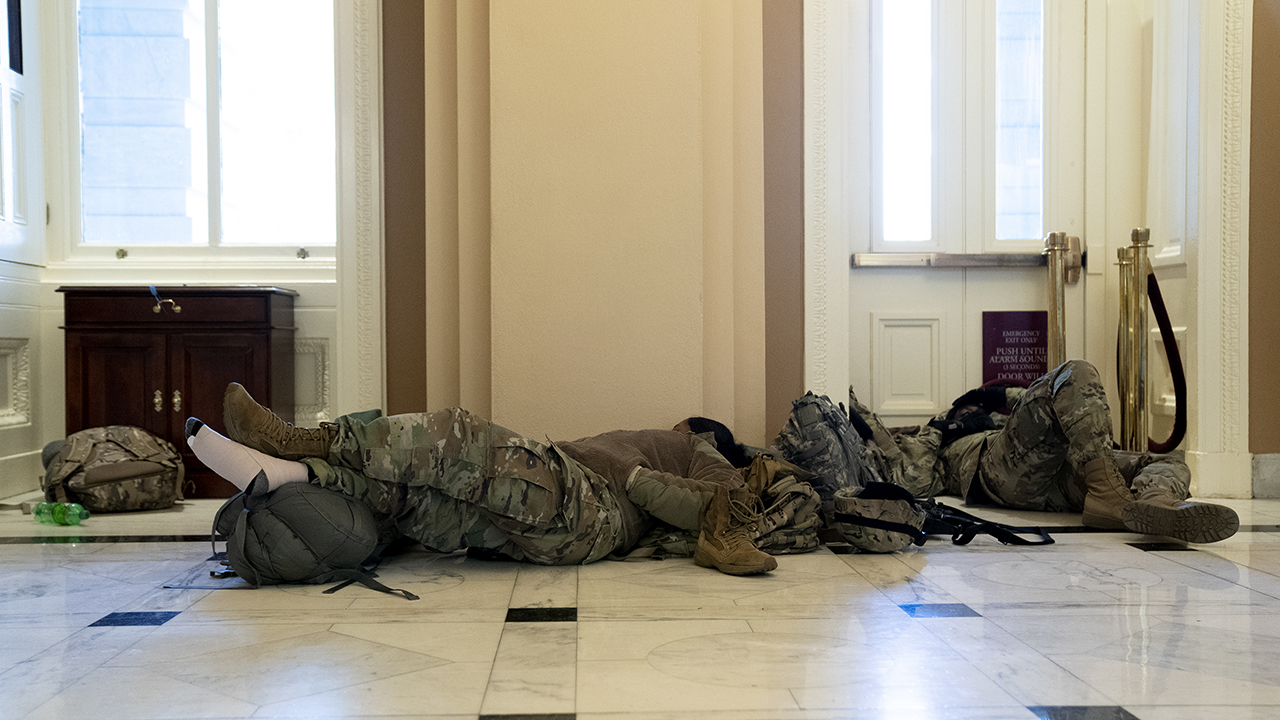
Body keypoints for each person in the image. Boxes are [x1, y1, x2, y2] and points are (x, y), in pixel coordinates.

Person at [185, 384, 779, 575]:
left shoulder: (697, 446)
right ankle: (281, 473)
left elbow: (722, 500)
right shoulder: (662, 444)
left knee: (455, 437)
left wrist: (636, 474)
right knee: (415, 499)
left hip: (586, 507)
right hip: (564, 517)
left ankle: (298, 442)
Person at [849, 359, 1239, 543]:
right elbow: (913, 480)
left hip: (1061, 469)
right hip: (998, 473)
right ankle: (1108, 494)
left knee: (1166, 460)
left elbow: (1046, 405)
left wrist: (992, 396)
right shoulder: (930, 437)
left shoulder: (998, 418)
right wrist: (939, 429)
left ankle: (1155, 502)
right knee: (1076, 372)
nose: (970, 412)